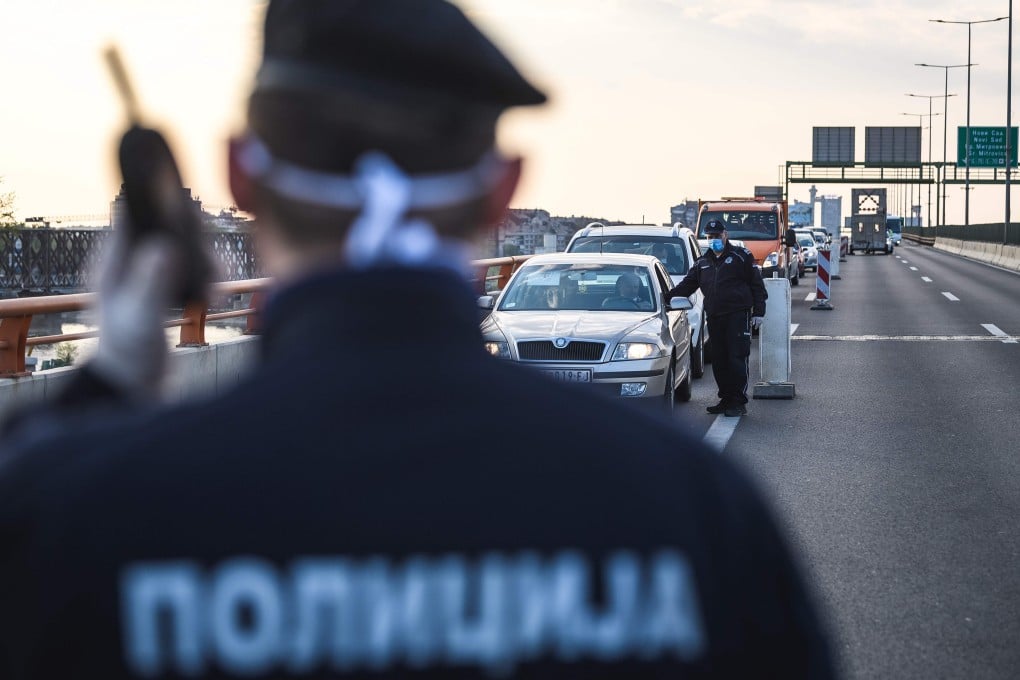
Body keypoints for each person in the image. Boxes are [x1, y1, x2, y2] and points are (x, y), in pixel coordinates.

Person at [0, 1, 835, 678]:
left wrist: (104, 382)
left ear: (241, 173)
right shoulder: (686, 507)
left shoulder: (81, 513)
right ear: (502, 189)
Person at [668, 219, 767, 417]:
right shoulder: (702, 263)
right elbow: (687, 286)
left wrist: (758, 312)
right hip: (714, 317)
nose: (714, 240)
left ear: (725, 235)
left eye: (717, 236)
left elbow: (757, 286)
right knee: (720, 361)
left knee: (736, 358)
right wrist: (666, 298)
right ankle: (726, 399)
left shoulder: (741, 256)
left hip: (737, 316)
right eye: (710, 237)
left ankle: (738, 401)